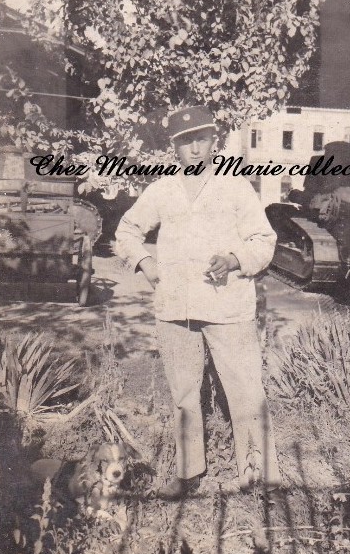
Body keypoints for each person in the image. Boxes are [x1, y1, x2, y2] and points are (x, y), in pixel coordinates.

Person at [115, 106, 281, 500]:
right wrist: (146, 262)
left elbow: (263, 241)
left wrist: (234, 260)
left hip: (228, 305)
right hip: (175, 307)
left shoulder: (235, 186)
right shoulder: (162, 190)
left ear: (213, 142)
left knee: (244, 389)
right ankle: (189, 473)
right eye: (185, 141)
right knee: (184, 393)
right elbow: (126, 231)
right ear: (174, 146)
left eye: (201, 139)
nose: (194, 148)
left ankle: (260, 475)